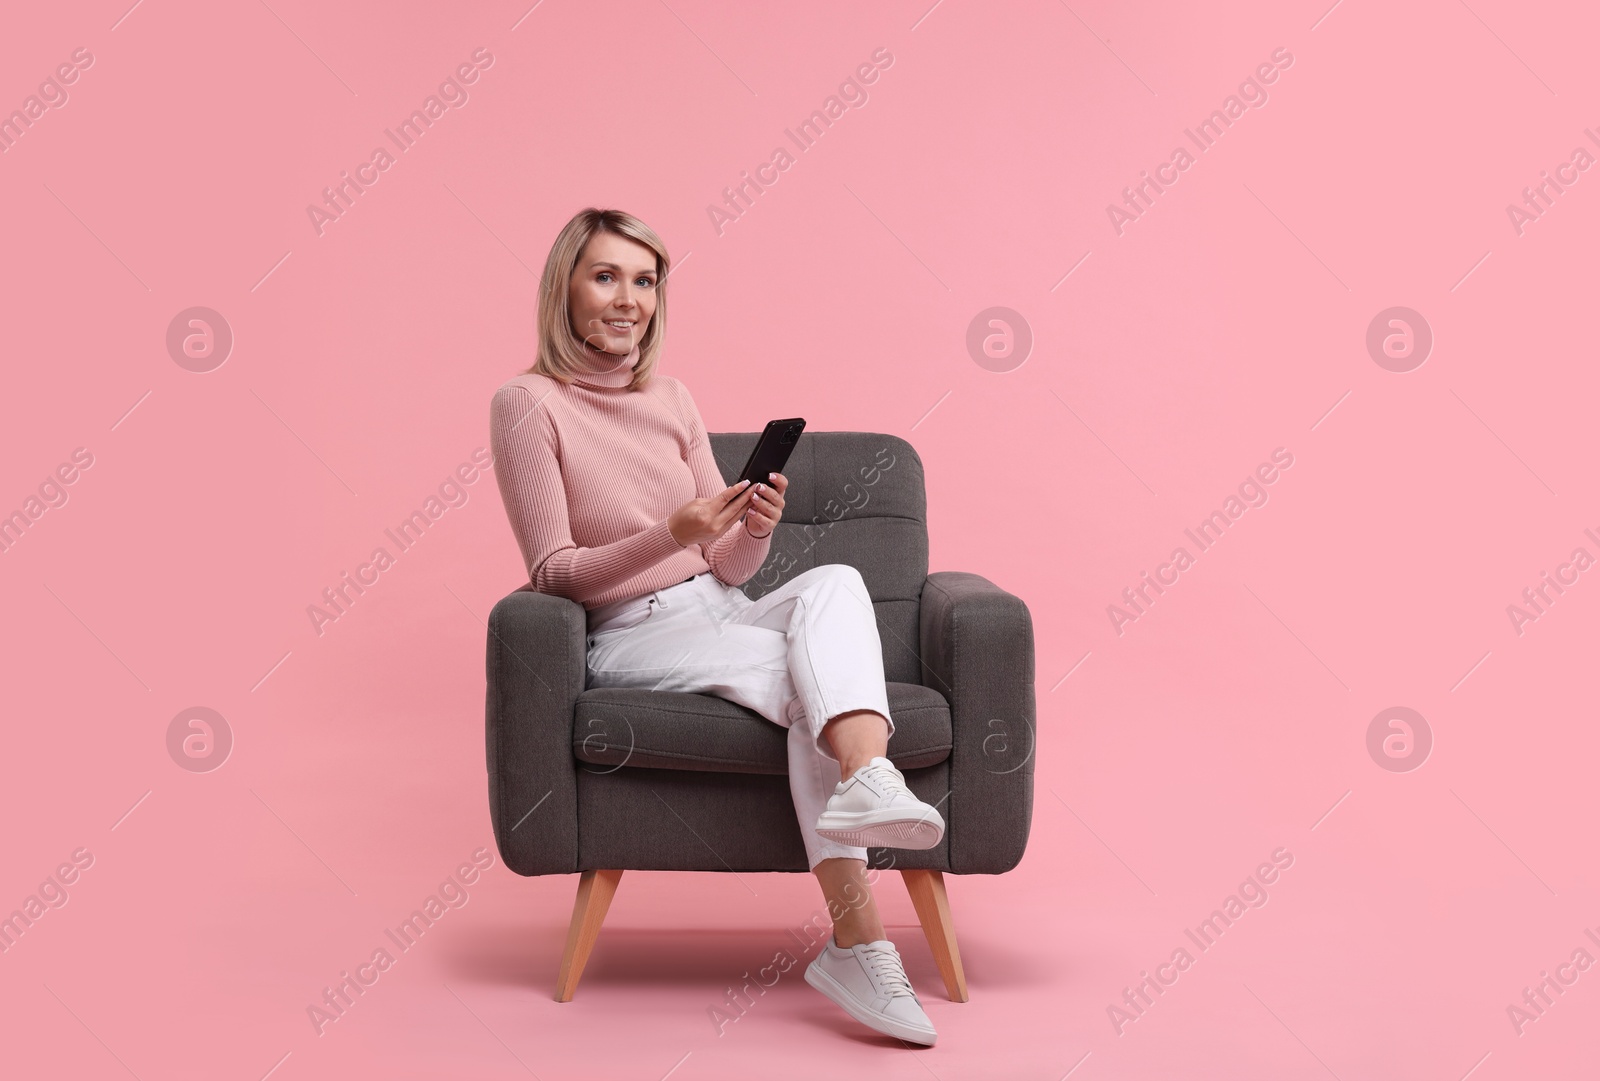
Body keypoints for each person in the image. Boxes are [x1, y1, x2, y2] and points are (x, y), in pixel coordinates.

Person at [488, 207, 946, 1045]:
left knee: (837, 581)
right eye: (606, 276)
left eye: (645, 280)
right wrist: (674, 532)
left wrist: (755, 523)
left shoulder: (672, 397)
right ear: (566, 287)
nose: (629, 299)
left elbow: (731, 565)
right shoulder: (528, 403)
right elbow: (552, 570)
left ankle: (866, 780)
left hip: (719, 604)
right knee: (813, 691)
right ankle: (861, 942)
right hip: (632, 629)